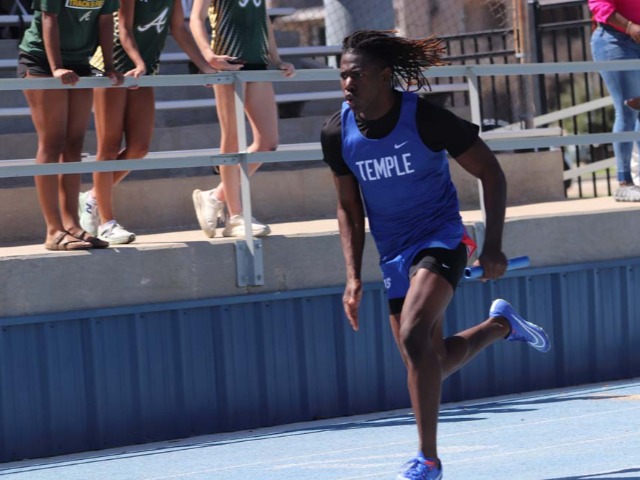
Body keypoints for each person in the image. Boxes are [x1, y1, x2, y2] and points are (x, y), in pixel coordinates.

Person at [320, 30, 551, 480]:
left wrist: (493, 245)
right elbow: (348, 207)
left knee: (413, 335)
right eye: (343, 76)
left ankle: (428, 460)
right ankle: (502, 326)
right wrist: (352, 276)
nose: (348, 83)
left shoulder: (425, 118)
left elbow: (491, 172)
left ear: (385, 75)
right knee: (431, 361)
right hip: (393, 254)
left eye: (357, 74)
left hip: (440, 239)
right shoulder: (336, 132)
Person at [78, 0, 240, 244]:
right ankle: (107, 223)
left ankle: (91, 197)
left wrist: (204, 66)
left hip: (144, 71)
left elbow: (178, 28)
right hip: (113, 68)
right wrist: (138, 62)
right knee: (109, 147)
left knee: (139, 148)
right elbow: (124, 29)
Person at [18, 0, 124, 251]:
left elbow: (106, 21)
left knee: (74, 144)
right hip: (42, 59)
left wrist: (109, 66)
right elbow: (49, 18)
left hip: (79, 60)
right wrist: (55, 67)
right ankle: (53, 230)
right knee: (52, 141)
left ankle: (72, 225)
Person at [189, 0, 295, 238]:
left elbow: (262, 18)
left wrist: (276, 59)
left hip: (258, 62)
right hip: (229, 63)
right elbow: (196, 18)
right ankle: (236, 217)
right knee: (232, 138)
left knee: (268, 143)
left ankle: (215, 196)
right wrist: (208, 56)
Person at [589, 0, 640, 201]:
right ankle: (624, 183)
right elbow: (600, 5)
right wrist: (629, 26)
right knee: (628, 109)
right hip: (615, 40)